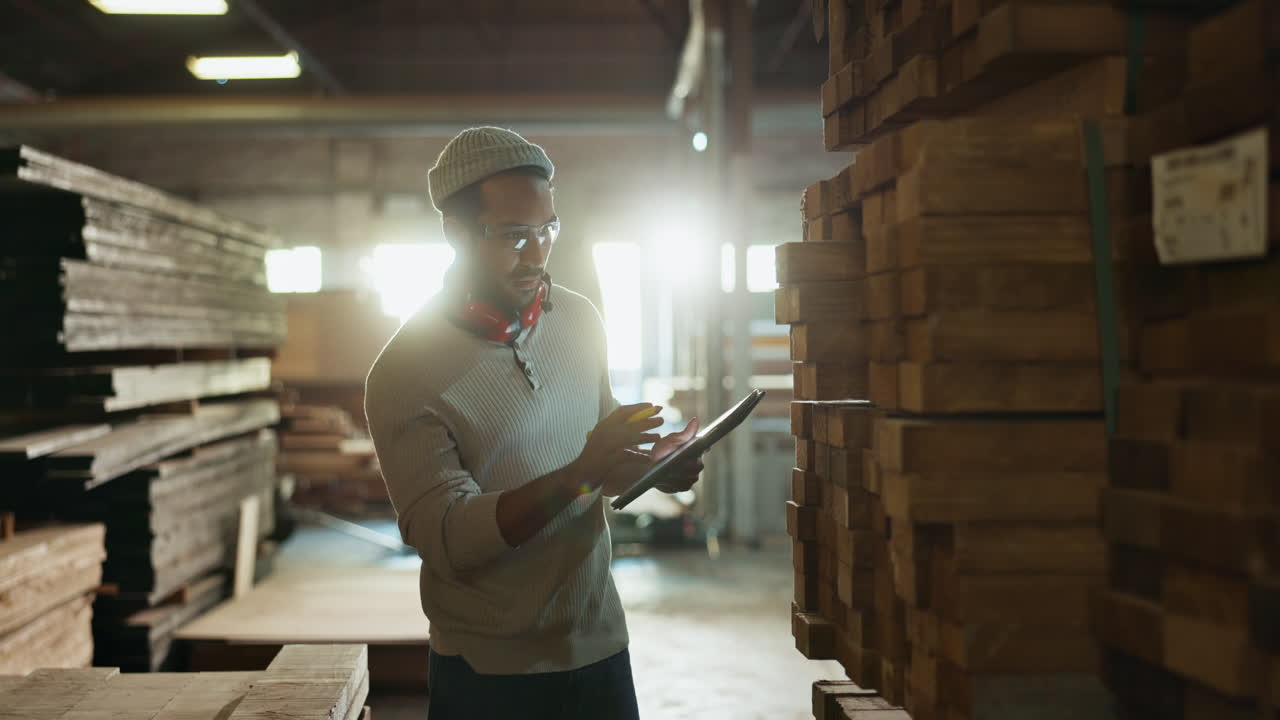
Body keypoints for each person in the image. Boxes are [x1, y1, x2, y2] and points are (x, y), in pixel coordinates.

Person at [364, 126, 704, 720]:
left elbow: (596, 461)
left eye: (548, 229)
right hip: (490, 674)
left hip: (599, 645)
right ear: (456, 233)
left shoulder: (578, 319)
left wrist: (650, 470)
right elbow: (449, 539)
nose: (539, 252)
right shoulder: (405, 372)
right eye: (514, 235)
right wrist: (584, 470)